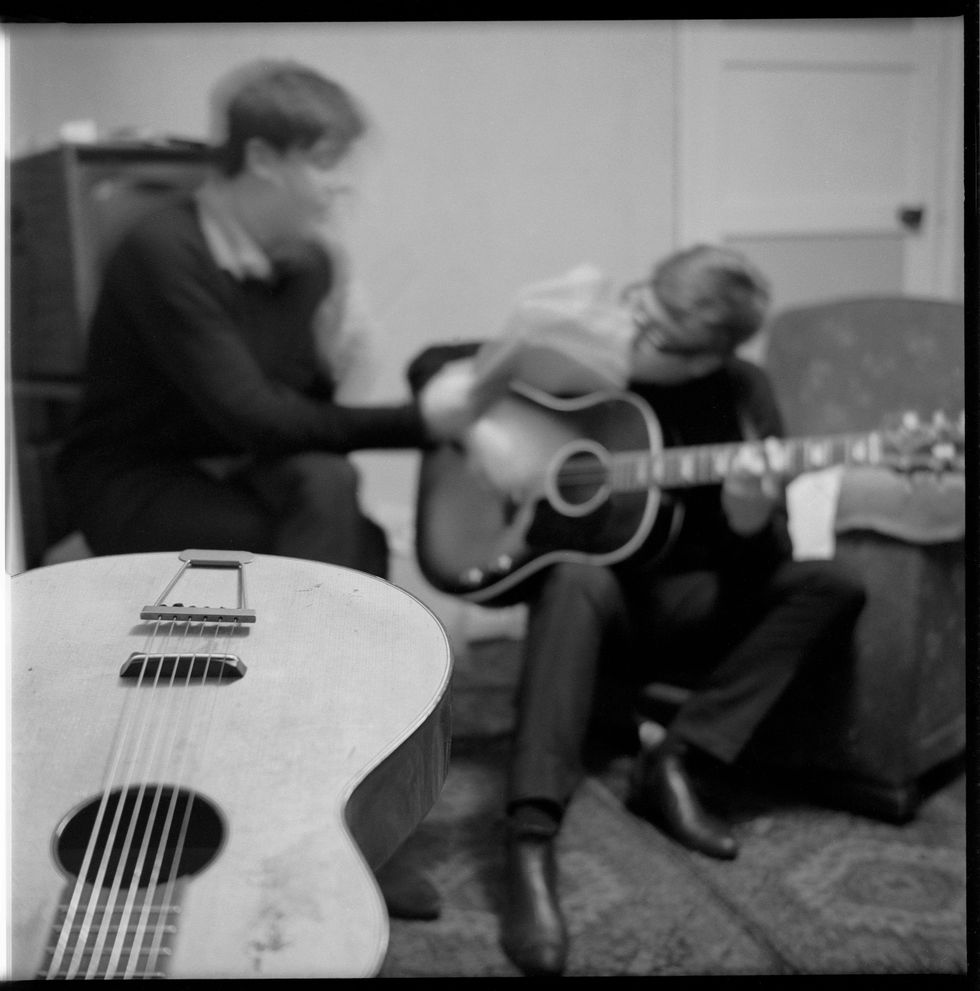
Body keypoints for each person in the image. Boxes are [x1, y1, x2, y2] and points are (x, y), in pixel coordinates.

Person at [56, 59, 475, 921]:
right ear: (262, 160)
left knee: (337, 507)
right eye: (325, 164)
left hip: (241, 467)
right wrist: (421, 420)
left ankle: (311, 800)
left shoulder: (310, 265)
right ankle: (315, 809)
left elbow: (300, 407)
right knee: (338, 553)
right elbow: (252, 412)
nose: (339, 189)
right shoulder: (160, 249)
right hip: (137, 478)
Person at [486, 245, 867, 976]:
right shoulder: (591, 361)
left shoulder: (745, 395)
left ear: (704, 360)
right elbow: (450, 371)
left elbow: (765, 558)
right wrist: (508, 443)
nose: (632, 326)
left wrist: (750, 514)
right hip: (602, 609)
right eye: (640, 302)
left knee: (834, 583)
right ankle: (529, 840)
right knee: (572, 577)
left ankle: (678, 756)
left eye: (655, 329)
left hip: (693, 609)